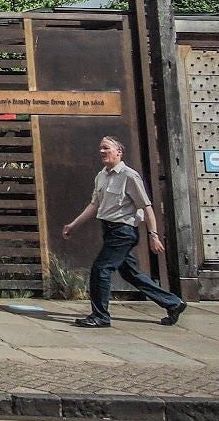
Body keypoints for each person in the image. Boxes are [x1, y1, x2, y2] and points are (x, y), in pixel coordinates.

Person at [61, 136, 186, 328]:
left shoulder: (129, 176)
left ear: (119, 152)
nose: (102, 151)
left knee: (101, 269)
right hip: (109, 230)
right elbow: (94, 205)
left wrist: (153, 235)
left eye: (106, 148)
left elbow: (147, 207)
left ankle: (100, 316)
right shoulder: (101, 176)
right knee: (130, 274)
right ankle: (173, 303)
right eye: (100, 148)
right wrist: (73, 225)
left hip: (123, 232)